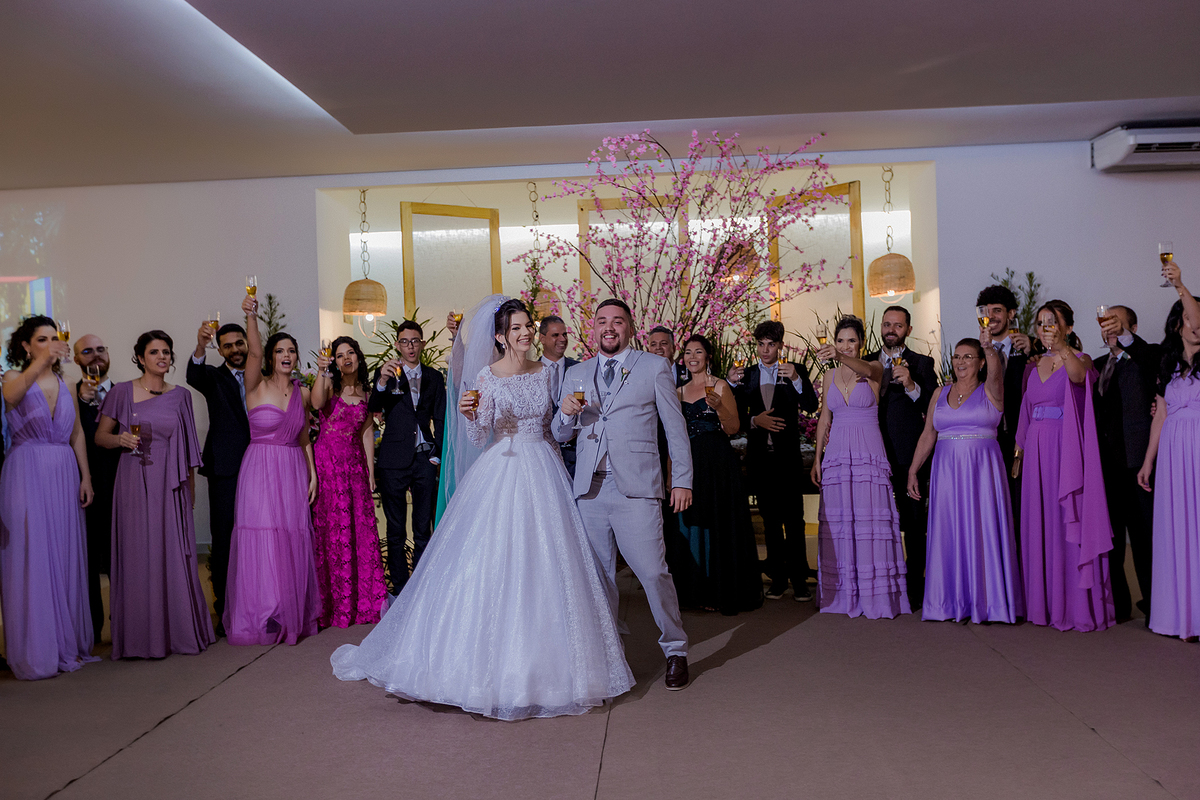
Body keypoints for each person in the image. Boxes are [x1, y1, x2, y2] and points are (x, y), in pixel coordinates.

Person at [333, 297, 633, 720]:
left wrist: (563, 437)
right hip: (503, 466)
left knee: (549, 566)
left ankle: (549, 669)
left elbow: (552, 429)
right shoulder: (486, 376)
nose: (525, 334)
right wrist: (469, 414)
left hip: (543, 467)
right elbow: (478, 437)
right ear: (500, 336)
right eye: (516, 328)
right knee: (491, 563)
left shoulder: (547, 372)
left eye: (527, 326)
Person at [557, 298, 694, 690]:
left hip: (636, 488)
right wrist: (565, 414)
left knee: (652, 572)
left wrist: (682, 479)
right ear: (593, 328)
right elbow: (561, 434)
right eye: (602, 321)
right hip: (590, 489)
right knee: (599, 577)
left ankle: (675, 648)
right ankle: (608, 657)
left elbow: (674, 427)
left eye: (617, 321)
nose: (609, 327)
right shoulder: (576, 373)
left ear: (630, 328)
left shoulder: (654, 366)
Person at [96, 331, 213, 659]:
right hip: (133, 479)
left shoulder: (181, 396)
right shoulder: (121, 392)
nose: (161, 356)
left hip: (170, 483)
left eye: (166, 351)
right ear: (140, 357)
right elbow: (100, 436)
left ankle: (175, 631)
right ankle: (140, 637)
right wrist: (119, 440)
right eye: (154, 352)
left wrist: (189, 494)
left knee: (171, 551)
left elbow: (188, 451)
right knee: (137, 553)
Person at [0, 316, 97, 680]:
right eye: (43, 339)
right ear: (26, 346)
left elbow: (77, 434)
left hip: (63, 472)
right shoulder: (12, 377)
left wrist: (85, 476)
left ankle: (66, 641)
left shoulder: (67, 383)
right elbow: (10, 399)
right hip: (26, 472)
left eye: (55, 338)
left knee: (64, 552)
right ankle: (36, 648)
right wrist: (41, 361)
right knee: (33, 556)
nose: (52, 344)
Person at [224, 295, 320, 645]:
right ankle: (262, 614)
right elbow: (251, 352)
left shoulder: (302, 393)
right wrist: (250, 317)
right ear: (270, 357)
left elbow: (304, 437)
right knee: (262, 535)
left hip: (292, 467)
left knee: (290, 536)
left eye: (291, 350)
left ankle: (285, 610)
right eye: (280, 350)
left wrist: (312, 474)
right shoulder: (256, 385)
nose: (286, 355)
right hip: (260, 469)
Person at [1014, 300, 1114, 632]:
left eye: (1052, 322)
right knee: (1038, 520)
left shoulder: (1080, 358)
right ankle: (1041, 603)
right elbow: (1026, 413)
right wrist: (1019, 455)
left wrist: (1063, 348)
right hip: (1035, 454)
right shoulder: (1032, 366)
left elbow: (1079, 377)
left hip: (1065, 449)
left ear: (1067, 327)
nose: (1045, 328)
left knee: (1066, 518)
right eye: (1040, 323)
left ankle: (1074, 605)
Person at [907, 337, 1023, 623]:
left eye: (968, 357)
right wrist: (913, 470)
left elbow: (996, 370)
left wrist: (989, 348)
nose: (960, 362)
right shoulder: (939, 393)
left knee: (984, 530)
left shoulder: (991, 390)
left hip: (982, 472)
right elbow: (928, 434)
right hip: (946, 473)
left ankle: (989, 602)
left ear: (981, 362)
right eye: (957, 356)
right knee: (948, 531)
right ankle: (948, 601)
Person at [811, 315, 910, 619]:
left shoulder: (875, 368)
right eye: (840, 341)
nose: (845, 346)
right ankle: (842, 594)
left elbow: (867, 369)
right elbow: (824, 419)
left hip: (868, 452)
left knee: (870, 522)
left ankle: (875, 596)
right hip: (837, 454)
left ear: (862, 343)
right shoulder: (829, 376)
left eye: (851, 341)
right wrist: (817, 458)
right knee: (839, 523)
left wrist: (839, 355)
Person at [728, 319, 819, 602]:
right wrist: (755, 420)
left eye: (770, 344)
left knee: (795, 521)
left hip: (788, 458)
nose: (765, 350)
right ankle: (778, 579)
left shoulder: (795, 370)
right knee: (770, 521)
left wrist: (797, 380)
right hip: (760, 459)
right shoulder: (747, 374)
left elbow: (811, 406)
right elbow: (733, 414)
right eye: (760, 344)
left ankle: (800, 581)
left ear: (780, 345)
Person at [671, 334, 763, 615]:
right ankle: (695, 590)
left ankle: (721, 590)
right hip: (689, 463)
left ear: (708, 356)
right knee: (693, 524)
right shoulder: (677, 391)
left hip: (718, 463)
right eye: (688, 352)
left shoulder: (721, 385)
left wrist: (719, 406)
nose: (693, 357)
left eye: (698, 352)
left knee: (719, 523)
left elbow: (734, 427)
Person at [1138, 260, 1200, 639]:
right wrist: (1148, 461)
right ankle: (1181, 616)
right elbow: (1160, 414)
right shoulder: (1168, 365)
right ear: (1177, 325)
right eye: (1187, 319)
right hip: (1174, 456)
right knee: (1177, 531)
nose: (1194, 325)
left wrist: (1180, 285)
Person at [310, 336, 387, 628]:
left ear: (358, 357)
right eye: (340, 355)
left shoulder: (368, 394)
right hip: (328, 466)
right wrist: (322, 370)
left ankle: (360, 603)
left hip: (354, 468)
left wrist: (370, 473)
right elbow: (316, 403)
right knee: (332, 531)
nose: (346, 358)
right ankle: (333, 605)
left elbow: (367, 432)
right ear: (335, 361)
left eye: (350, 353)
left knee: (359, 531)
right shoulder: (329, 386)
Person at [865, 305, 939, 609]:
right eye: (887, 324)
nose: (891, 330)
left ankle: (915, 589)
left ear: (908, 329)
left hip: (909, 457)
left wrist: (910, 385)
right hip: (872, 454)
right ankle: (880, 584)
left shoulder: (922, 363)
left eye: (898, 325)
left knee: (913, 523)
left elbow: (934, 405)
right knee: (876, 524)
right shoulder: (866, 362)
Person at [1094, 304, 1160, 622]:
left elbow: (1150, 362)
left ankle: (1155, 605)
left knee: (1145, 538)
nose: (1110, 327)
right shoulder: (1096, 366)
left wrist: (1126, 340)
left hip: (1138, 465)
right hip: (1106, 467)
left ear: (1132, 328)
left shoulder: (1147, 357)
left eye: (1117, 323)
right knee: (1112, 541)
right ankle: (1119, 606)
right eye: (1106, 323)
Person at [370, 320, 446, 592]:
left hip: (425, 458)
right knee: (395, 530)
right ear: (397, 345)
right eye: (404, 341)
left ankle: (422, 588)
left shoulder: (434, 377)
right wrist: (381, 381)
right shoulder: (386, 375)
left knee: (423, 529)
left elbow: (441, 417)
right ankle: (401, 590)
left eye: (415, 341)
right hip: (393, 460)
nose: (410, 346)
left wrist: (438, 454)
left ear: (422, 344)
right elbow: (373, 407)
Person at [187, 320, 251, 635]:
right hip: (225, 468)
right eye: (228, 345)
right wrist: (201, 345)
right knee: (225, 540)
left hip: (263, 467)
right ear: (220, 350)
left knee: (259, 538)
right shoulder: (213, 376)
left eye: (239, 343)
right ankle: (225, 611)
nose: (235, 349)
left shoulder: (263, 375)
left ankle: (257, 605)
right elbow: (193, 375)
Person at [977, 285, 1032, 544]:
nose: (991, 317)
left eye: (997, 311)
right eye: (986, 312)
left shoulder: (1029, 349)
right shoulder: (975, 353)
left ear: (1011, 314)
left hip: (1024, 440)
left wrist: (1033, 349)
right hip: (989, 441)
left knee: (1023, 509)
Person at [74, 334, 120, 644]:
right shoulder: (68, 395)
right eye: (87, 351)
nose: (95, 356)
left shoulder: (125, 393)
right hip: (83, 490)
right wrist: (80, 400)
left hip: (121, 488)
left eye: (100, 349)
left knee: (122, 561)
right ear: (77, 359)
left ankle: (126, 627)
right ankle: (91, 630)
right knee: (87, 563)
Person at [538, 315, 579, 477]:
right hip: (541, 456)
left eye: (564, 334)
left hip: (574, 457)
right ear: (542, 338)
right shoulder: (529, 372)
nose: (562, 339)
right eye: (555, 335)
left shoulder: (579, 370)